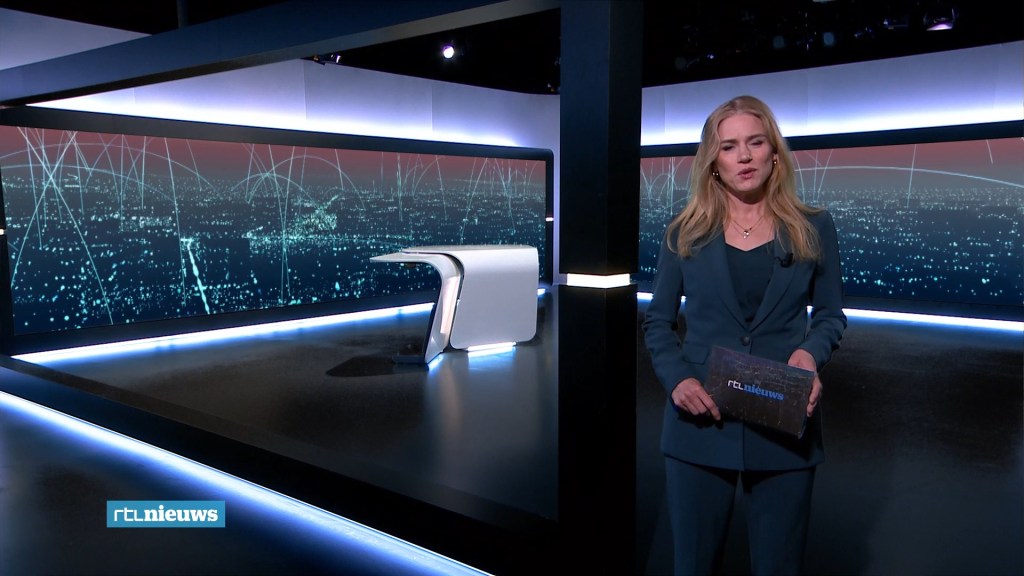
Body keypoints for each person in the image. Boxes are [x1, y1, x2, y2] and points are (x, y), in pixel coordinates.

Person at [642, 95, 847, 575]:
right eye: (729, 146)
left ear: (774, 151)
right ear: (713, 160)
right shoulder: (684, 232)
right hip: (699, 420)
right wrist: (677, 380)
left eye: (755, 142)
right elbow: (658, 322)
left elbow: (830, 315)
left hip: (782, 415)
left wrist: (809, 355)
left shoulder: (814, 226)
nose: (745, 156)